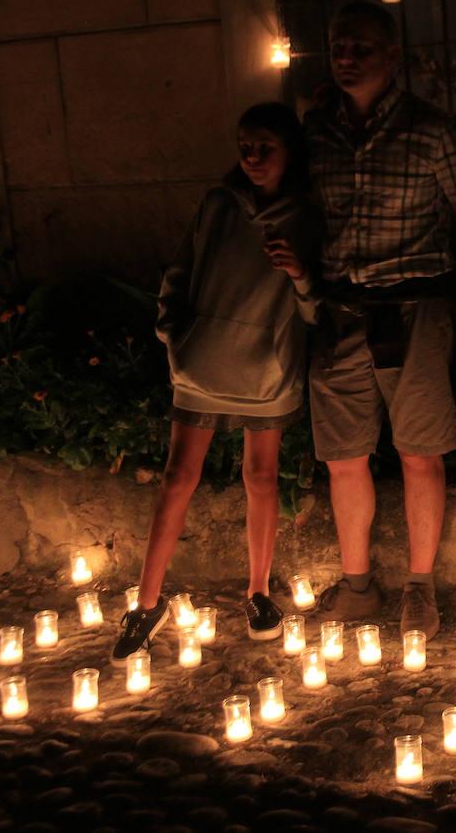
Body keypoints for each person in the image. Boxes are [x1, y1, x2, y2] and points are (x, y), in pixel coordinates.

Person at [304, 2, 456, 639]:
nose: (348, 56)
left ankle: (419, 586)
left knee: (419, 453)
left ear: (393, 59)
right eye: (339, 45)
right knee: (344, 457)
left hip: (415, 311)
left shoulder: (431, 131)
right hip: (339, 313)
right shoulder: (317, 132)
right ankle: (358, 586)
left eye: (361, 46)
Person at [111, 103, 317, 664]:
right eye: (244, 145)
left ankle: (258, 592)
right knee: (178, 476)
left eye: (264, 147)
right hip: (204, 363)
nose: (251, 158)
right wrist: (173, 333)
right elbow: (180, 269)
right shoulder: (218, 202)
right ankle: (147, 603)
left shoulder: (306, 212)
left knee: (262, 475)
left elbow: (320, 303)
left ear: (289, 151)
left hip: (268, 366)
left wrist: (300, 274)